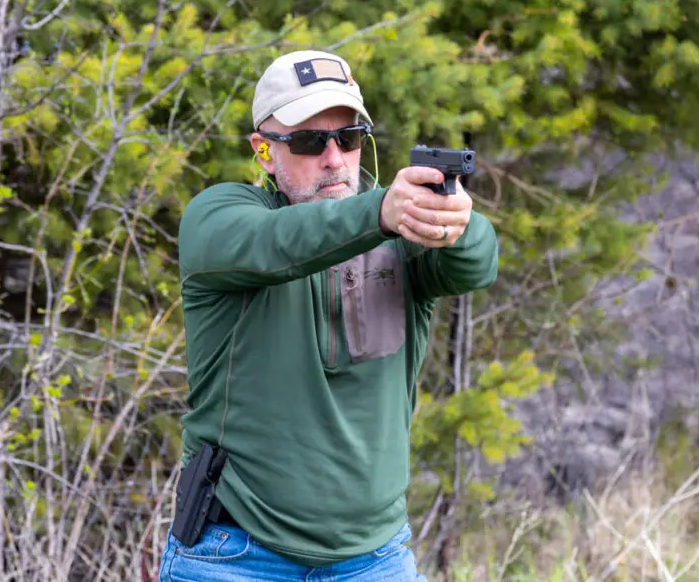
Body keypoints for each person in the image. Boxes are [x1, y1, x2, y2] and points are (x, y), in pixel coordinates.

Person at [158, 49, 499, 581]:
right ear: (264, 152)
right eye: (311, 141)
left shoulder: (396, 224)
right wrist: (380, 213)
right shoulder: (220, 218)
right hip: (235, 555)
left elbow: (476, 263)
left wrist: (454, 217)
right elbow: (277, 242)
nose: (335, 158)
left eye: (350, 137)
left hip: (377, 556)